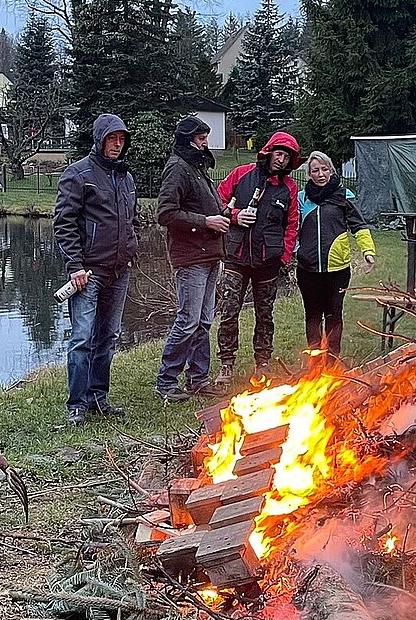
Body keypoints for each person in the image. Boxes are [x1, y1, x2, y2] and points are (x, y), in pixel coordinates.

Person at [53, 114, 138, 424]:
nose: (117, 144)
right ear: (100, 139)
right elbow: (64, 223)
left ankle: (98, 398)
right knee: (82, 339)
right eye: (112, 138)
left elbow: (132, 219)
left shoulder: (126, 177)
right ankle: (76, 404)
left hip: (119, 270)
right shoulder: (78, 174)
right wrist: (75, 265)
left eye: (121, 139)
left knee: (108, 337)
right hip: (87, 273)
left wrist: (131, 250)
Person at [214, 131, 301, 382]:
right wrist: (235, 216)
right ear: (269, 152)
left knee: (265, 314)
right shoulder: (241, 174)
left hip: (268, 261)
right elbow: (217, 201)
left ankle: (262, 363)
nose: (281, 160)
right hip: (235, 256)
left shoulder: (289, 188)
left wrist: (284, 257)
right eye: (279, 153)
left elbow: (292, 224)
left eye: (286, 157)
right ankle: (226, 363)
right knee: (229, 311)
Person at [155, 115, 229, 402]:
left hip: (210, 254)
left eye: (206, 138)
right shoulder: (178, 168)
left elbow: (203, 206)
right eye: (200, 138)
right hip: (191, 257)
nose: (205, 143)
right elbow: (166, 213)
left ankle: (198, 379)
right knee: (188, 320)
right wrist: (206, 221)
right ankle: (166, 382)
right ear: (188, 140)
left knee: (204, 321)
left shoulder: (197, 168)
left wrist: (222, 216)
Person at [296, 150, 375, 361]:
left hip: (337, 269)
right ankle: (315, 362)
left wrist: (368, 251)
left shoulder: (344, 195)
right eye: (315, 170)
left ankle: (332, 361)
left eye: (324, 169)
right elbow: (292, 228)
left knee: (333, 314)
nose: (320, 174)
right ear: (309, 174)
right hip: (308, 269)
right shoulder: (302, 198)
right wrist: (297, 250)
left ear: (331, 170)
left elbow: (358, 225)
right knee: (313, 315)